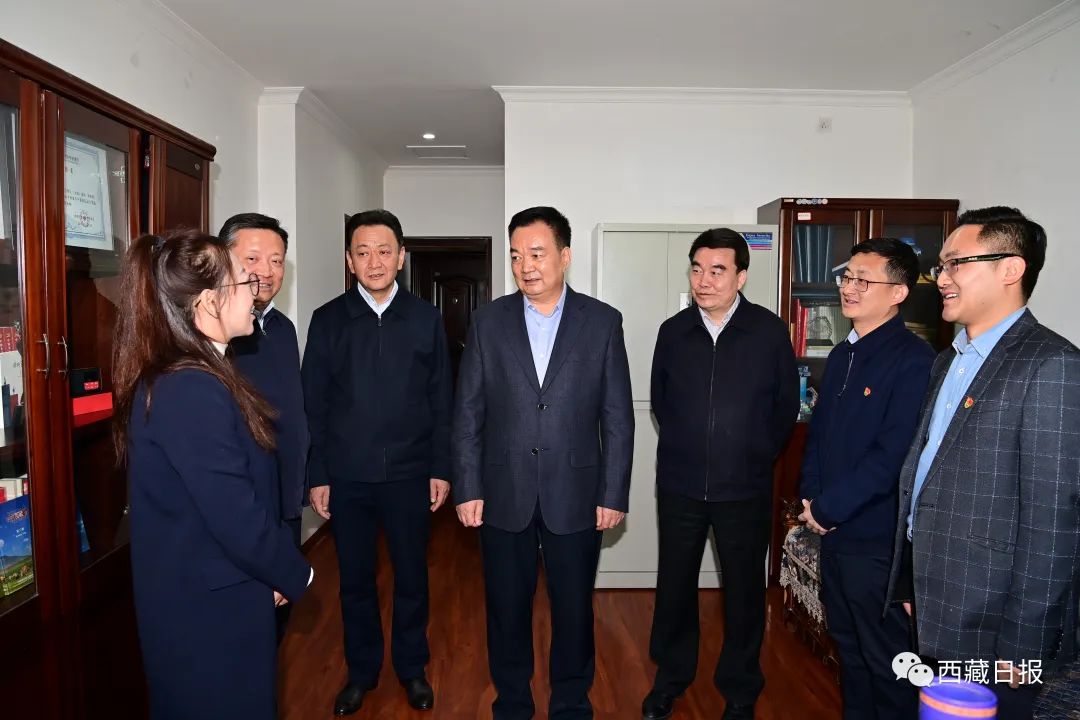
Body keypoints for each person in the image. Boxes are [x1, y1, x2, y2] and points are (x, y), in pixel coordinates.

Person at [886, 207, 1080, 720]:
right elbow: (927, 479)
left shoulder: (1052, 365)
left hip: (997, 626)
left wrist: (1024, 648)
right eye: (942, 265)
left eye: (956, 263)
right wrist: (913, 582)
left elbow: (1054, 524)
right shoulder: (949, 360)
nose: (941, 278)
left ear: (1011, 269)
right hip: (940, 601)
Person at [113, 229, 311, 719]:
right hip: (206, 613)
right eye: (243, 280)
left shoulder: (204, 372)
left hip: (219, 591)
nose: (255, 290)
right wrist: (293, 570)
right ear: (207, 303)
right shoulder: (189, 388)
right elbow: (234, 513)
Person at [452, 205, 634, 720]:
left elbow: (617, 416)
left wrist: (613, 493)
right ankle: (512, 702)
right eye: (516, 256)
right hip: (502, 491)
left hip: (575, 492)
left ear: (565, 256)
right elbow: (467, 412)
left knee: (573, 610)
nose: (525, 266)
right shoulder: (488, 322)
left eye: (536, 253)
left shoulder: (602, 322)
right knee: (506, 609)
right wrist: (467, 485)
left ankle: (571, 703)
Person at [643, 228, 799, 720]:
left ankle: (740, 690)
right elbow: (662, 402)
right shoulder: (673, 332)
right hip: (681, 486)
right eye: (697, 269)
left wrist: (754, 454)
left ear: (741, 276)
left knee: (744, 593)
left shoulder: (768, 332)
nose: (704, 280)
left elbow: (785, 407)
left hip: (744, 489)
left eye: (717, 270)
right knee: (674, 588)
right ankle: (670, 678)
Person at [303, 209, 452, 715]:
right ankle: (361, 672)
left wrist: (441, 466)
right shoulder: (328, 320)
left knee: (412, 578)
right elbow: (313, 404)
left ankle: (412, 669)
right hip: (348, 476)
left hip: (411, 473)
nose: (374, 261)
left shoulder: (426, 318)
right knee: (355, 581)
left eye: (384, 251)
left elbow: (442, 399)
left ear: (401, 257)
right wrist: (318, 473)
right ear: (349, 260)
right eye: (362, 252)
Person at [798, 238, 933, 719]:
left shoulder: (915, 360)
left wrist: (829, 508)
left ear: (898, 292)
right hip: (833, 534)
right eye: (847, 277)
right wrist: (812, 499)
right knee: (849, 653)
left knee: (887, 663)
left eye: (863, 280)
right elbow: (819, 437)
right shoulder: (842, 354)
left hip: (876, 540)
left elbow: (892, 455)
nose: (849, 288)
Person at [221, 212, 309, 643]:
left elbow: (291, 415)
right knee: (243, 629)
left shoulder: (283, 329)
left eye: (277, 261)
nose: (267, 271)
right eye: (253, 258)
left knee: (277, 625)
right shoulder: (218, 336)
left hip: (284, 505)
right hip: (243, 508)